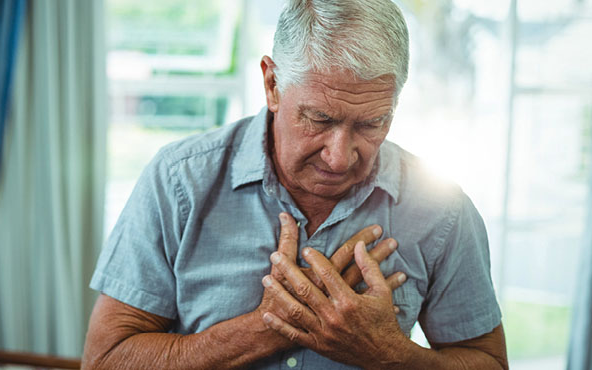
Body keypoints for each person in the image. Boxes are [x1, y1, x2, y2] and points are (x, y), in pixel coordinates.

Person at [83, 0, 508, 368]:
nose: (339, 157)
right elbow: (104, 361)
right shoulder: (179, 181)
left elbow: (488, 362)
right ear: (272, 84)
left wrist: (387, 354)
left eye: (371, 123)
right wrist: (267, 327)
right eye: (319, 119)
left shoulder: (443, 211)